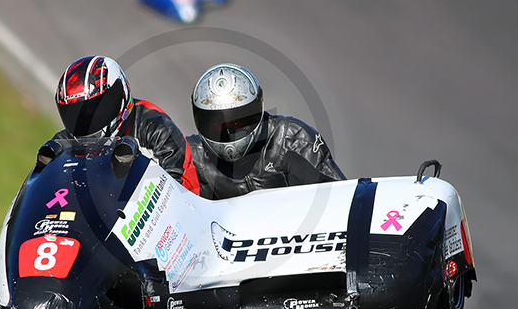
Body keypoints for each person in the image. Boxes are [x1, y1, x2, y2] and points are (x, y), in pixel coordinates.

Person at [37, 55, 200, 195]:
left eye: (93, 111)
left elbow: (185, 189)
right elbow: (39, 192)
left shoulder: (154, 127)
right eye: (75, 115)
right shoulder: (61, 145)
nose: (85, 123)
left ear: (118, 97)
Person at [187, 63, 345, 200]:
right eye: (218, 125)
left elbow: (341, 200)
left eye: (238, 122)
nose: (229, 131)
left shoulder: (294, 140)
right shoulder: (188, 157)